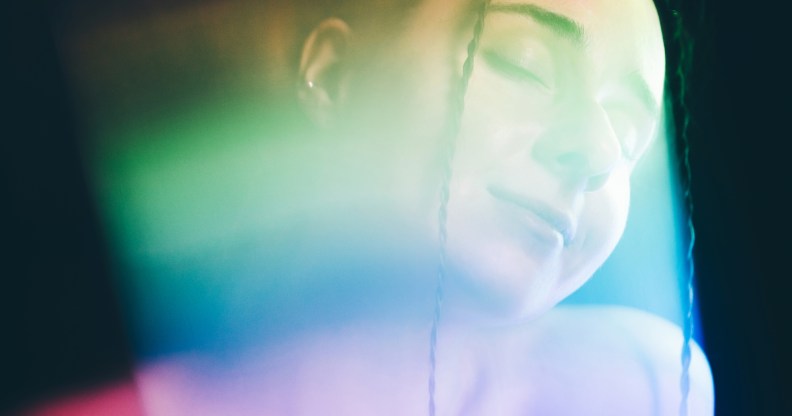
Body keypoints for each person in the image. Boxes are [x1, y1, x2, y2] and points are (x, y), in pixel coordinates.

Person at [35, 0, 714, 414]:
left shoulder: (639, 385)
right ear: (333, 75)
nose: (597, 151)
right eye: (524, 65)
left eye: (629, 132)